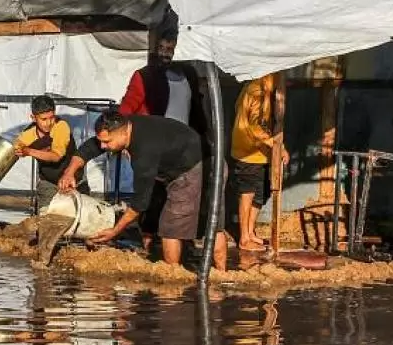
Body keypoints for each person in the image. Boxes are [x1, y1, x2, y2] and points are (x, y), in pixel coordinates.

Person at [59, 111, 229, 272]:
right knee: (213, 223)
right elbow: (90, 147)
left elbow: (140, 202)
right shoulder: (129, 124)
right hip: (212, 161)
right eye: (102, 141)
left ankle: (172, 276)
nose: (103, 146)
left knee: (170, 227)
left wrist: (115, 231)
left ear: (123, 133)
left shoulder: (144, 152)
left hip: (195, 170)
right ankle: (221, 274)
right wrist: (69, 172)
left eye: (108, 142)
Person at [118, 35, 211, 252]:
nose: (165, 53)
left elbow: (197, 108)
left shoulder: (189, 74)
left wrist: (204, 138)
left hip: (183, 146)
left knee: (184, 195)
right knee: (152, 194)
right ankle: (148, 243)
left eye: (170, 48)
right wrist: (127, 141)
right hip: (154, 143)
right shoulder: (145, 76)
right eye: (161, 47)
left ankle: (182, 240)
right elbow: (127, 108)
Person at [231, 74, 289, 252]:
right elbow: (254, 125)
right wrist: (276, 145)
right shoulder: (256, 91)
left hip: (260, 152)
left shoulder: (264, 91)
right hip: (248, 152)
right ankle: (244, 238)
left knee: (260, 193)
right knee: (247, 193)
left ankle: (250, 231)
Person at [14, 95, 89, 210]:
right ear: (33, 118)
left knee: (81, 216)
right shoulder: (28, 134)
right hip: (48, 184)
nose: (48, 123)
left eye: (51, 117)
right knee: (47, 218)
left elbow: (56, 156)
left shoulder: (61, 126)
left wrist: (28, 151)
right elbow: (14, 148)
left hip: (74, 181)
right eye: (43, 119)